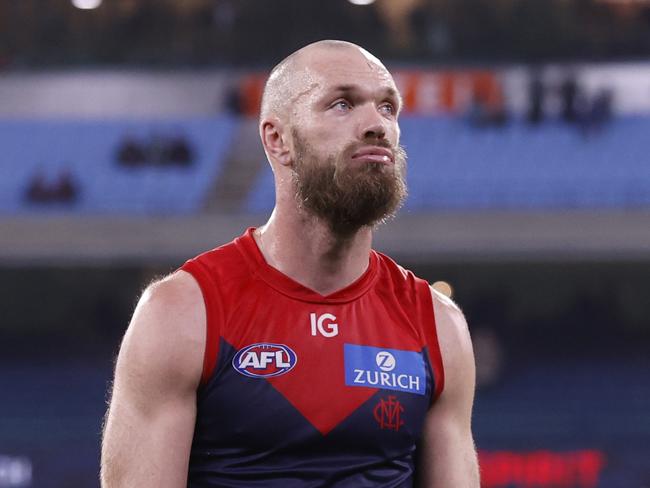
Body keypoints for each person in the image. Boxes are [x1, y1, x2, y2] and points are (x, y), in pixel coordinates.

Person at [100, 40, 479, 487]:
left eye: (388, 108)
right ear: (277, 139)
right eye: (342, 104)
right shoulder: (182, 313)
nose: (376, 124)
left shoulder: (438, 325)